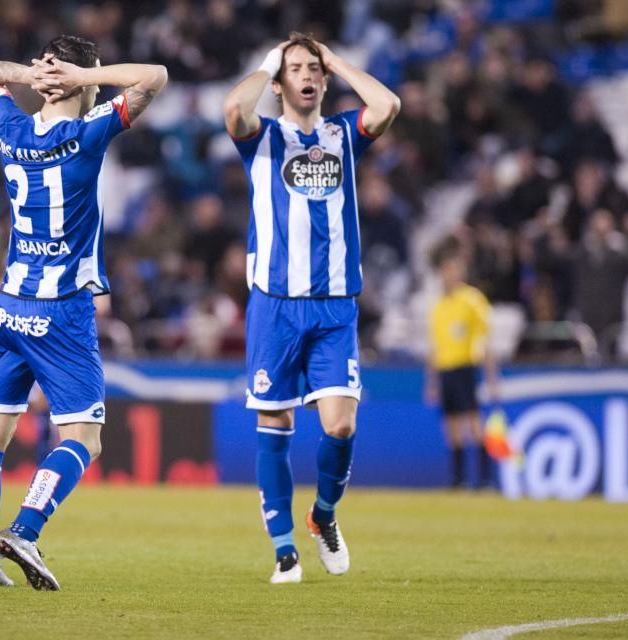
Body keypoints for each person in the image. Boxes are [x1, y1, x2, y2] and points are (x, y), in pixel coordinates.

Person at [0, 35, 166, 590]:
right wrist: (81, 78)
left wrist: (34, 76)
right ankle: (26, 529)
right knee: (84, 437)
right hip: (61, 312)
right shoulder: (87, 133)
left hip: (8, 306)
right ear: (86, 78)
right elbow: (154, 75)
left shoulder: (10, 128)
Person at [223, 32, 400, 583]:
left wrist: (336, 60)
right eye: (295, 69)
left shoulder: (344, 134)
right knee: (274, 425)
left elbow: (388, 105)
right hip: (275, 305)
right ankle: (284, 552)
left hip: (334, 306)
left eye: (312, 68)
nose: (307, 75)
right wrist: (268, 60)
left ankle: (322, 516)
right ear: (278, 84)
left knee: (340, 425)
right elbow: (233, 107)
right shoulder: (262, 137)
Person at [425, 236, 499, 489]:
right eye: (445, 270)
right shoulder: (438, 307)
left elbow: (485, 341)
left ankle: (485, 479)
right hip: (446, 370)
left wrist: (491, 378)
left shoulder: (472, 300)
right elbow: (434, 348)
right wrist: (431, 382)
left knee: (474, 423)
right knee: (452, 427)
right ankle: (458, 479)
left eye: (452, 270)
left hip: (466, 368)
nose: (448, 275)